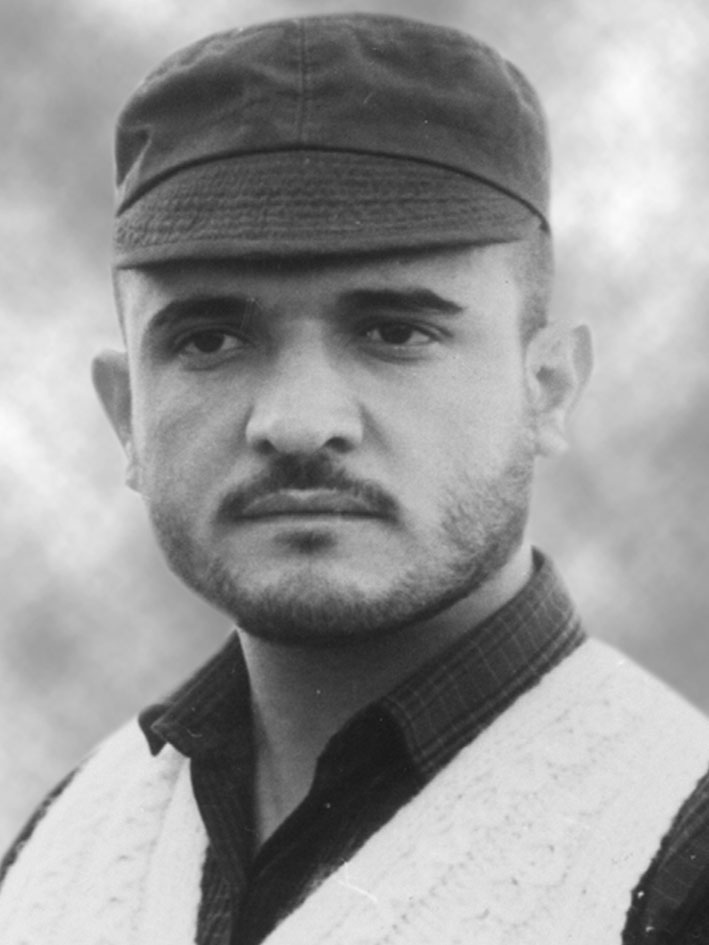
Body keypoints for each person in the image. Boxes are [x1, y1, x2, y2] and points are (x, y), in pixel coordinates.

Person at [1, 12, 708, 945]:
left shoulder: (678, 847)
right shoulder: (60, 844)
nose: (298, 423)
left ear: (545, 388)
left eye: (394, 331)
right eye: (209, 340)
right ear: (127, 413)